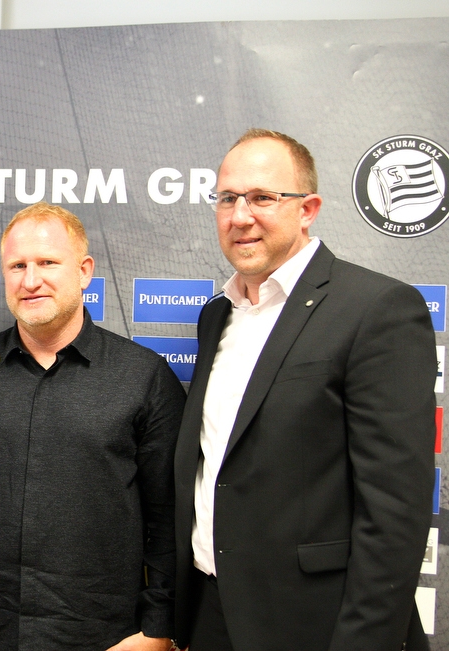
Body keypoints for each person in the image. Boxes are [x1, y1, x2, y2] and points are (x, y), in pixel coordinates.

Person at [174, 129, 436, 651]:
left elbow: (395, 513)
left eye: (262, 197)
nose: (240, 216)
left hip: (314, 625)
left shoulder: (377, 309)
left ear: (307, 208)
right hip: (209, 615)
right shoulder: (216, 316)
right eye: (227, 198)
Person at [0, 202, 185, 651]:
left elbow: (170, 520)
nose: (30, 280)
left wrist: (158, 627)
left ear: (84, 271)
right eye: (17, 266)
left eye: (47, 263)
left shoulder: (144, 377)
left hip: (108, 638)